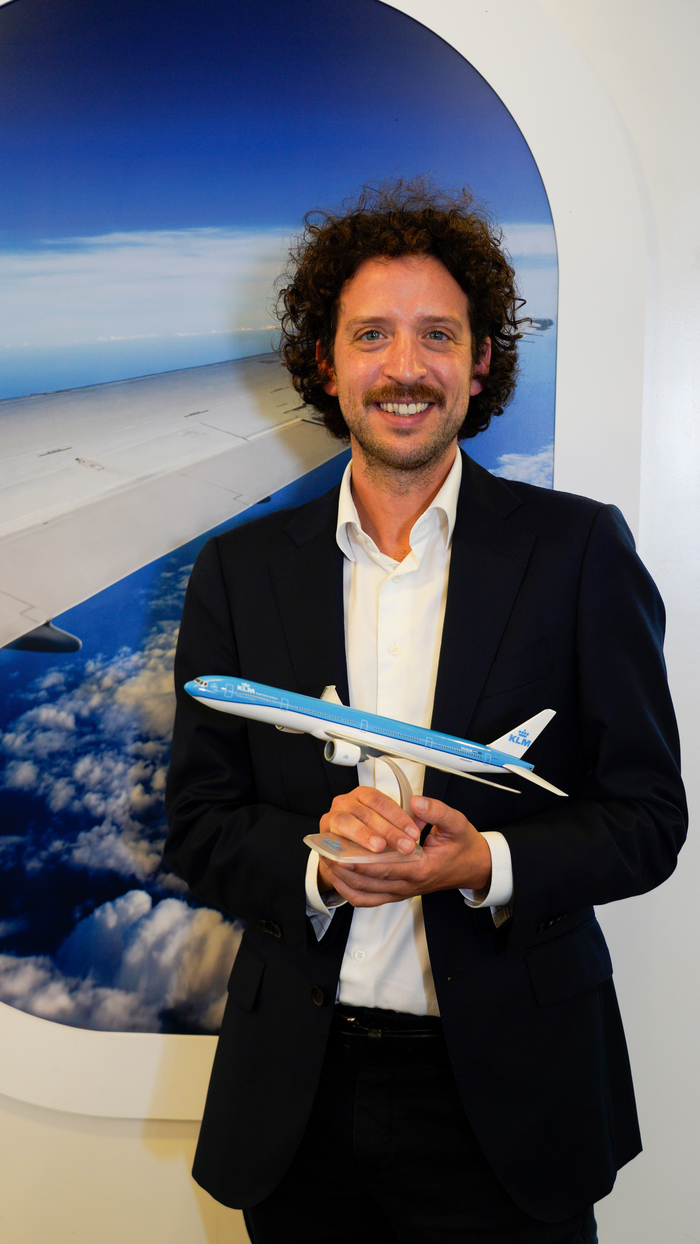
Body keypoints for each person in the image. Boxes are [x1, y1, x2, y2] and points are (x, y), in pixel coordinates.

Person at [164, 181, 687, 1243]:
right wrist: (317, 866)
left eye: (437, 334)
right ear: (326, 363)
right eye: (371, 334)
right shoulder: (239, 572)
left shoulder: (579, 550)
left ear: (481, 360)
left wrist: (483, 860)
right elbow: (199, 824)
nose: (404, 367)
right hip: (299, 1102)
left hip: (513, 1099)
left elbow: (647, 819)